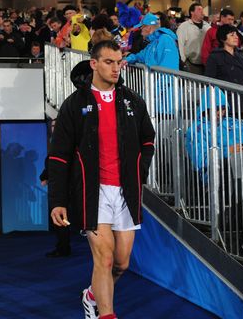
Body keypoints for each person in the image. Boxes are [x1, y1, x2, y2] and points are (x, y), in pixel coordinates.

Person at [48, 40, 155, 319]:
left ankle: (92, 295)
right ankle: (106, 314)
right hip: (92, 193)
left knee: (121, 264)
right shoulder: (74, 104)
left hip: (126, 192)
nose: (116, 68)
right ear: (94, 64)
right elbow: (59, 155)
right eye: (109, 62)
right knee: (104, 259)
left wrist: (140, 171)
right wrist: (58, 200)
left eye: (119, 62)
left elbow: (148, 140)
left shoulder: (133, 101)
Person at [40, 157, 71, 257]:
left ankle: (63, 248)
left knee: (61, 223)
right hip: (63, 195)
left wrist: (44, 176)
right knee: (63, 222)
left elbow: (52, 167)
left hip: (60, 196)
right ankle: (64, 247)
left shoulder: (56, 155)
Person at [176, 2, 209, 74]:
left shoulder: (207, 26)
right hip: (191, 64)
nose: (202, 12)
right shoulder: (184, 27)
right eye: (199, 10)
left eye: (202, 10)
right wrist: (183, 62)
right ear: (192, 12)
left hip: (206, 63)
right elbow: (180, 44)